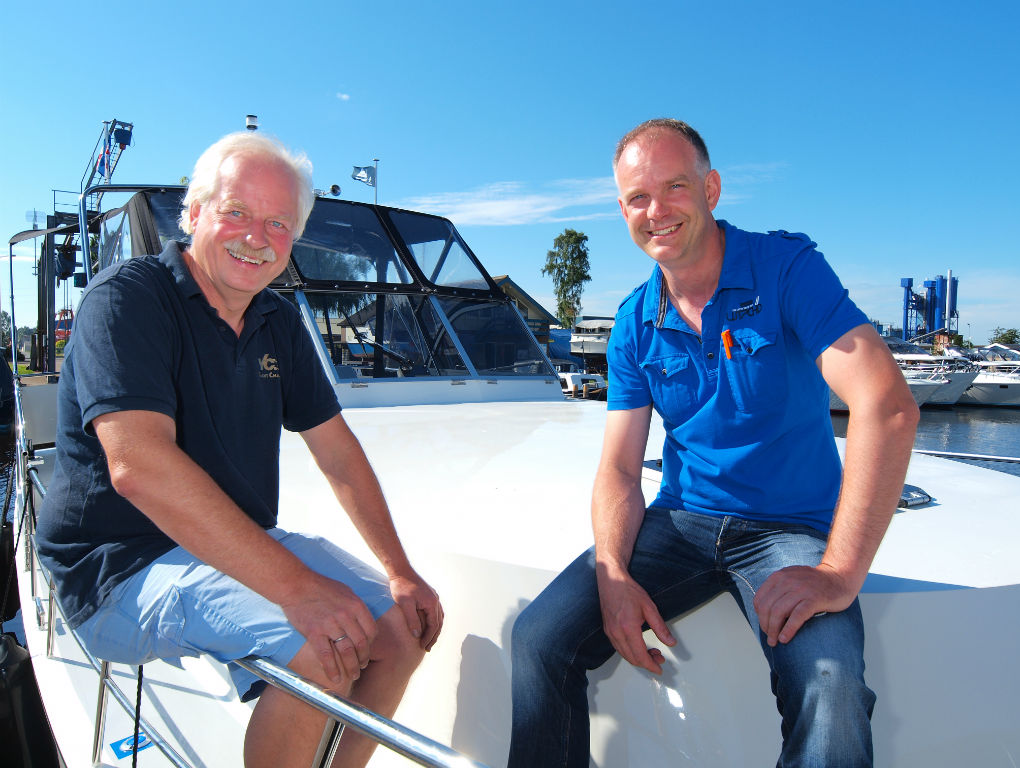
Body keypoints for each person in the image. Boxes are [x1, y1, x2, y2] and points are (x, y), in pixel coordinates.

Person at [507, 119, 919, 767]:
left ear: (712, 189)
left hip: (791, 530)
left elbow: (886, 405)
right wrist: (613, 573)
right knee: (539, 640)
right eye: (638, 198)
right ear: (622, 211)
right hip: (681, 523)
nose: (656, 210)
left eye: (674, 187)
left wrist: (839, 573)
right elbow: (619, 468)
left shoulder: (786, 269)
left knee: (830, 686)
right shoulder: (633, 322)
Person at [36, 132, 443, 768]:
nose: (257, 237)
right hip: (116, 566)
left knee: (400, 628)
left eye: (278, 223)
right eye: (236, 212)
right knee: (326, 644)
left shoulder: (276, 320)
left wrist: (400, 570)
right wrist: (300, 590)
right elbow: (139, 467)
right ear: (194, 213)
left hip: (230, 541)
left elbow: (337, 453)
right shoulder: (127, 299)